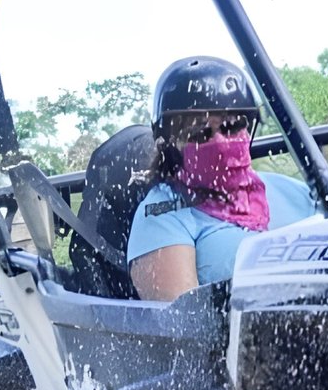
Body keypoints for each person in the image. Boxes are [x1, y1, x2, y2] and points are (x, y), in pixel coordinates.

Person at [128, 56, 315, 299]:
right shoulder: (160, 214)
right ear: (172, 144)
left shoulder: (297, 192)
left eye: (233, 125)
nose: (220, 143)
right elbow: (182, 327)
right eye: (200, 133)